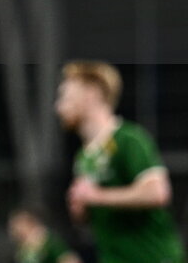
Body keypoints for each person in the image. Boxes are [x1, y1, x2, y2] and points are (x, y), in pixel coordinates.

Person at [55, 61, 185, 263]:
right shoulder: (83, 157)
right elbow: (95, 215)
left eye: (66, 95)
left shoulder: (129, 139)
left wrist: (96, 196)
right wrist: (81, 210)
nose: (59, 106)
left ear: (92, 94)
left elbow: (158, 192)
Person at [8, 207, 80, 263]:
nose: (14, 231)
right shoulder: (23, 248)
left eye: (17, 226)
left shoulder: (47, 240)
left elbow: (70, 259)